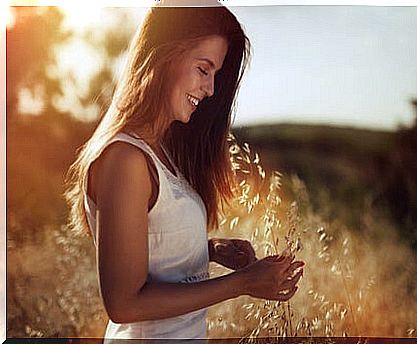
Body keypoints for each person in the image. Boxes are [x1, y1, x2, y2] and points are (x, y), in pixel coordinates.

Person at [65, 4, 304, 340]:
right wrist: (243, 283)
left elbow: (152, 249)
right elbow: (124, 304)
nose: (209, 90)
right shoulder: (126, 159)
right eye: (203, 69)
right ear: (164, 56)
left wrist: (211, 250)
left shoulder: (162, 155)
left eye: (215, 75)